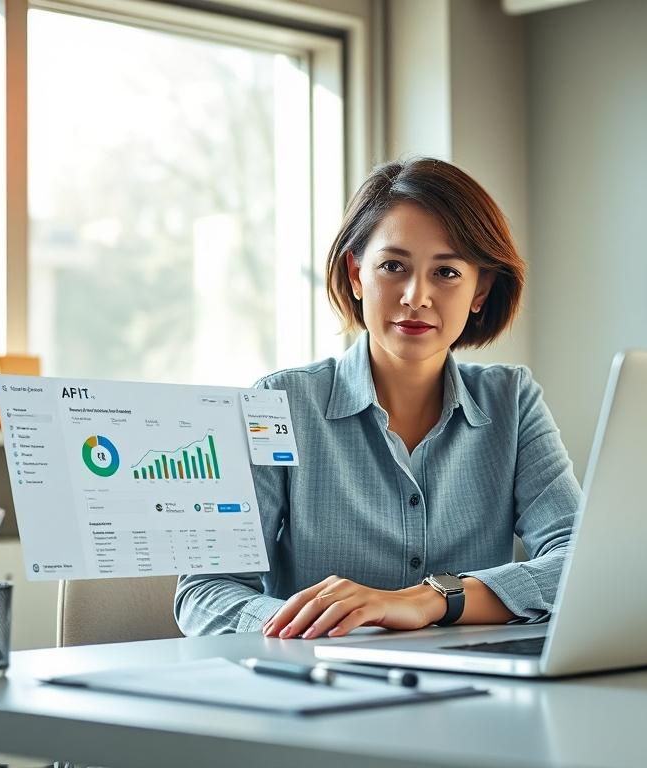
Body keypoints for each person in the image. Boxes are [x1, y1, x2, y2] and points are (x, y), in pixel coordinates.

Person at [174, 158, 581, 639]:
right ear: (355, 274)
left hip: (476, 687)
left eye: (447, 272)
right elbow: (205, 590)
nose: (415, 297)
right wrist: (321, 628)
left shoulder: (512, 401)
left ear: (481, 290)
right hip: (323, 688)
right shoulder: (278, 403)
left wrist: (428, 601)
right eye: (392, 266)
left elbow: (578, 559)